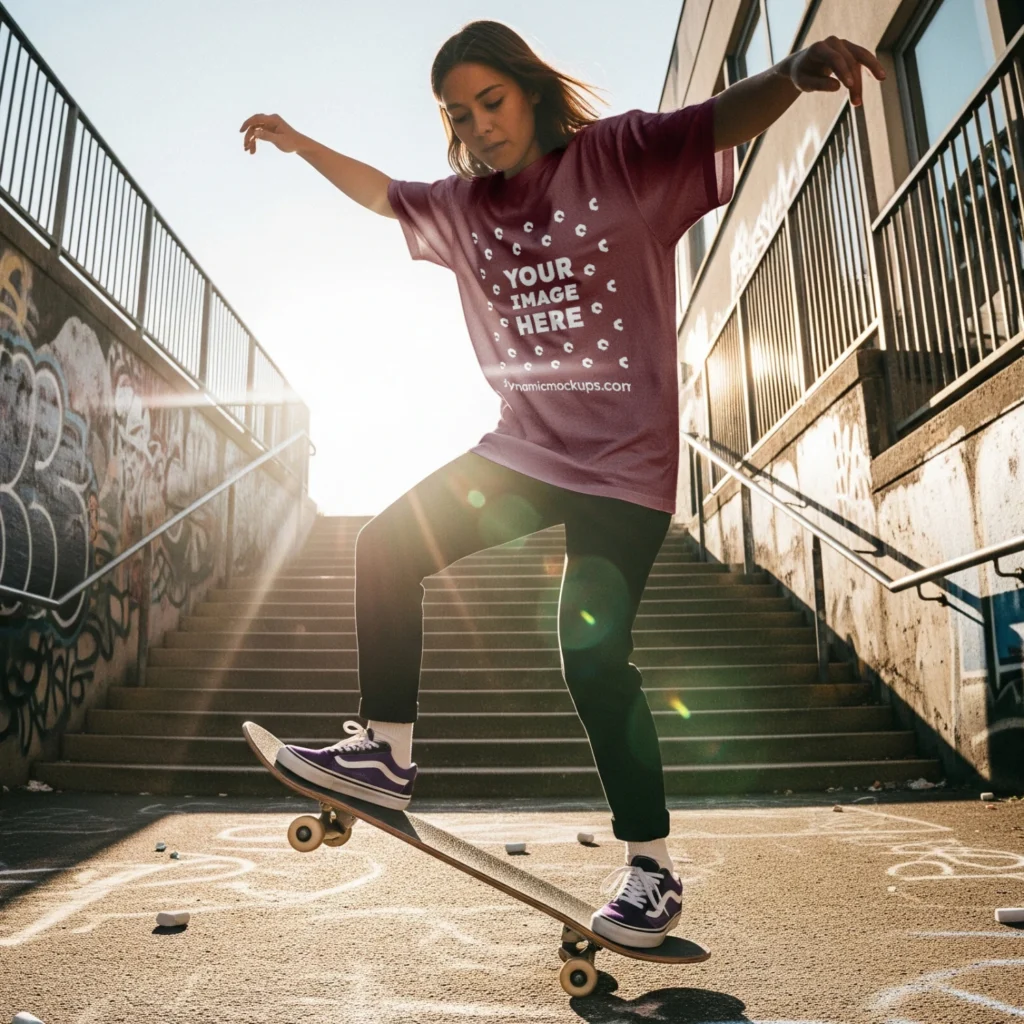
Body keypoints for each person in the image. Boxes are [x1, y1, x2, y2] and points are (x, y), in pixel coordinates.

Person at [240, 19, 884, 949]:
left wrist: (790, 72)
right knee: (386, 545)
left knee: (590, 658)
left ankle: (652, 871)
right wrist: (300, 146)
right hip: (526, 452)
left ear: (531, 90)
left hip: (626, 468)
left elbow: (712, 123)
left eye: (491, 102)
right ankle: (385, 756)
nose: (479, 127)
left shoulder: (618, 157)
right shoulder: (464, 205)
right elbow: (384, 195)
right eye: (459, 114)